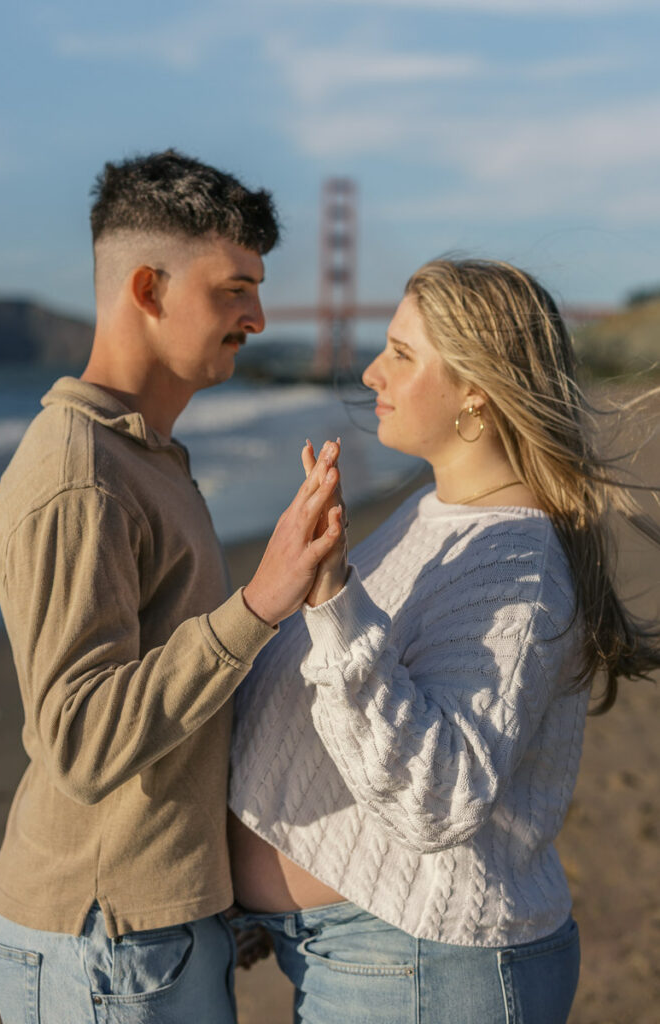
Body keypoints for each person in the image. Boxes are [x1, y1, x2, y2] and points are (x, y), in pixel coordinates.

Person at [227, 258, 660, 1023]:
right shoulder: (438, 513)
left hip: (421, 970)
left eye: (400, 353)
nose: (368, 370)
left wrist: (330, 595)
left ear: (475, 394)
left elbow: (437, 796)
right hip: (371, 957)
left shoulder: (511, 566)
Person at [0, 149, 344, 1023]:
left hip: (154, 925)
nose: (257, 316)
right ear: (147, 288)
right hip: (105, 941)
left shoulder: (143, 456)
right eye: (233, 290)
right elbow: (80, 737)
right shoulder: (82, 476)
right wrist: (260, 603)